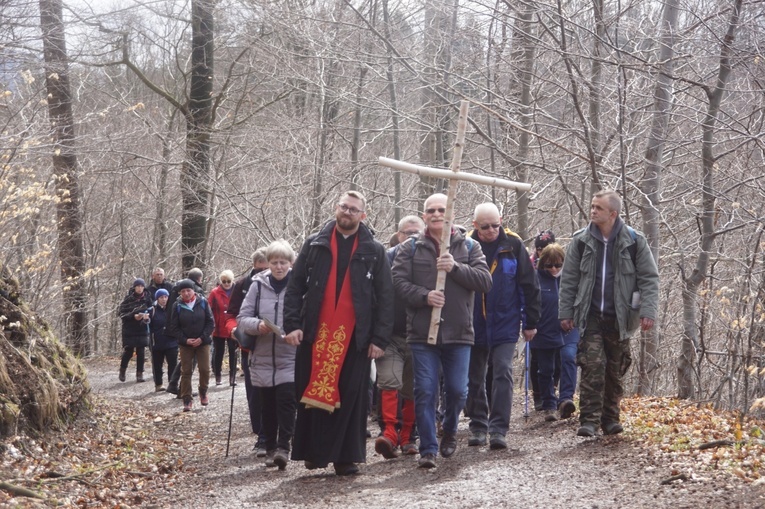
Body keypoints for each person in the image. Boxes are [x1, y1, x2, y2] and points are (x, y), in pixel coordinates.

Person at [283, 190, 394, 476]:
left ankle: (346, 458)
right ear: (336, 208)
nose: (347, 213)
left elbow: (386, 297)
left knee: (352, 396)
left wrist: (380, 339)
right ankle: (313, 453)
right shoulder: (314, 244)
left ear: (363, 215)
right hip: (313, 333)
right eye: (344, 207)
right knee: (308, 392)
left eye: (354, 209)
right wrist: (292, 324)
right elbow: (295, 288)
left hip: (356, 338)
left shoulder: (375, 250)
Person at [391, 193, 492, 469]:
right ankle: (428, 449)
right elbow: (397, 283)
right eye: (431, 210)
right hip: (423, 334)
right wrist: (425, 296)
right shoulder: (410, 248)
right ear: (424, 216)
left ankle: (449, 430)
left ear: (451, 213)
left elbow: (485, 281)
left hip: (459, 333)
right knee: (425, 390)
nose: (436, 214)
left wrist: (455, 267)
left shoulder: (470, 246)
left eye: (442, 210)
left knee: (458, 391)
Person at [559, 189, 659, 437]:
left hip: (621, 317)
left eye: (598, 208)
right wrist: (565, 312)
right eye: (592, 206)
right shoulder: (580, 241)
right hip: (591, 315)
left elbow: (649, 278)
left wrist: (648, 311)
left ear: (613, 213)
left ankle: (610, 419)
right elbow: (569, 279)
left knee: (614, 370)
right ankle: (589, 421)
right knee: (593, 366)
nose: (593, 211)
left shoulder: (635, 241)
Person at [464, 202, 539, 450]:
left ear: (502, 220)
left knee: (503, 371)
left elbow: (529, 284)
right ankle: (477, 425)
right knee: (475, 376)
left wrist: (530, 322)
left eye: (496, 225)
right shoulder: (464, 245)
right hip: (473, 323)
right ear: (475, 225)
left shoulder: (514, 244)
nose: (491, 230)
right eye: (485, 227)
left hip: (506, 322)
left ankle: (498, 429)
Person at [237, 240, 296, 470]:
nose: (279, 267)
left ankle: (284, 447)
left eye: (283, 262)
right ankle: (270, 447)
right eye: (274, 263)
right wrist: (258, 325)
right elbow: (243, 318)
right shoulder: (257, 286)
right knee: (267, 405)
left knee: (287, 402)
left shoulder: (299, 285)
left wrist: (296, 330)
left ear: (291, 263)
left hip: (290, 354)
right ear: (268, 264)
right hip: (261, 356)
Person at [374, 215, 425, 459]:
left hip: (420, 336)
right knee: (388, 382)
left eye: (417, 233)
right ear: (398, 235)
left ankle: (408, 436)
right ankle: (389, 432)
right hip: (389, 336)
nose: (412, 238)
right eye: (407, 233)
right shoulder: (384, 259)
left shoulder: (432, 258)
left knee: (413, 388)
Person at [226, 248, 269, 456]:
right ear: (253, 267)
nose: (263, 272)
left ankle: (280, 434)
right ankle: (261, 433)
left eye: (266, 268)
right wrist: (234, 330)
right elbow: (231, 315)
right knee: (254, 391)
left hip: (277, 345)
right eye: (259, 269)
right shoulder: (242, 285)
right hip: (249, 346)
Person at [531, 243, 579, 421]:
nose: (553, 269)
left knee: (568, 358)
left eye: (558, 265)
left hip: (569, 329)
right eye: (549, 265)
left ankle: (566, 399)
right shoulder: (536, 279)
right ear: (542, 264)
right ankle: (549, 404)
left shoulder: (571, 278)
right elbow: (529, 304)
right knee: (546, 369)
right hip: (544, 330)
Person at [166, 279, 215, 412]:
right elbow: (174, 327)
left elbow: (210, 323)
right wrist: (185, 340)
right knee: (186, 371)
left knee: (205, 369)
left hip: (203, 342)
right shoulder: (177, 305)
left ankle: (203, 391)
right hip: (185, 344)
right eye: (183, 291)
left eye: (188, 290)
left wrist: (201, 338)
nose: (186, 293)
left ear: (194, 290)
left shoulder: (203, 302)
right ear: (180, 293)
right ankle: (187, 398)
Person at [166, 268, 205, 396]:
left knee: (185, 359)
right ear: (199, 278)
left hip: (175, 326)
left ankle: (175, 385)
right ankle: (181, 388)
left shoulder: (177, 287)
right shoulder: (194, 290)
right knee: (189, 361)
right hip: (188, 330)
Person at [529, 230, 556, 411]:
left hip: (553, 319)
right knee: (536, 358)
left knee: (558, 359)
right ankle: (538, 394)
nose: (541, 251)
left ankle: (551, 390)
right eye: (539, 248)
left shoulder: (558, 263)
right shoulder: (530, 265)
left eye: (545, 248)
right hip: (537, 317)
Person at [118, 278, 153, 383]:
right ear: (134, 287)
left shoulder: (147, 299)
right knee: (128, 351)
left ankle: (139, 374)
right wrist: (133, 316)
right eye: (138, 286)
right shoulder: (128, 299)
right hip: (129, 329)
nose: (139, 288)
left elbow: (152, 311)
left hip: (142, 328)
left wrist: (147, 317)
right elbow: (122, 314)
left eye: (141, 286)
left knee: (141, 351)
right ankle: (122, 370)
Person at [209, 270, 237, 386]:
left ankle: (232, 377)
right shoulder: (215, 292)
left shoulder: (237, 291)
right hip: (219, 327)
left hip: (233, 327)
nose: (226, 284)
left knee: (233, 352)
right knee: (219, 352)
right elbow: (208, 308)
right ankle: (218, 375)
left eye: (228, 281)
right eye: (224, 281)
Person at [149, 288, 178, 392]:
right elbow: (147, 325)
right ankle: (158, 384)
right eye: (161, 297)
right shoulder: (152, 310)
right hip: (157, 342)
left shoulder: (173, 308)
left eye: (166, 297)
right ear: (157, 298)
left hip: (172, 341)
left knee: (173, 364)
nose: (164, 299)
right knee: (157, 364)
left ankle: (172, 383)